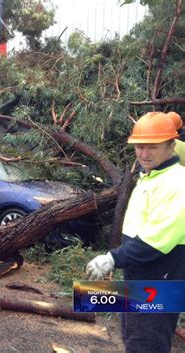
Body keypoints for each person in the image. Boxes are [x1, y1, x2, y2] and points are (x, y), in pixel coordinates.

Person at [85, 112, 185, 353]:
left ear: (172, 145)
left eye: (152, 147)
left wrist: (112, 258)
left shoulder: (177, 184)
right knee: (133, 338)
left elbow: (156, 241)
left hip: (160, 280)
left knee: (146, 343)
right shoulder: (151, 176)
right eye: (139, 147)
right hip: (139, 275)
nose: (144, 154)